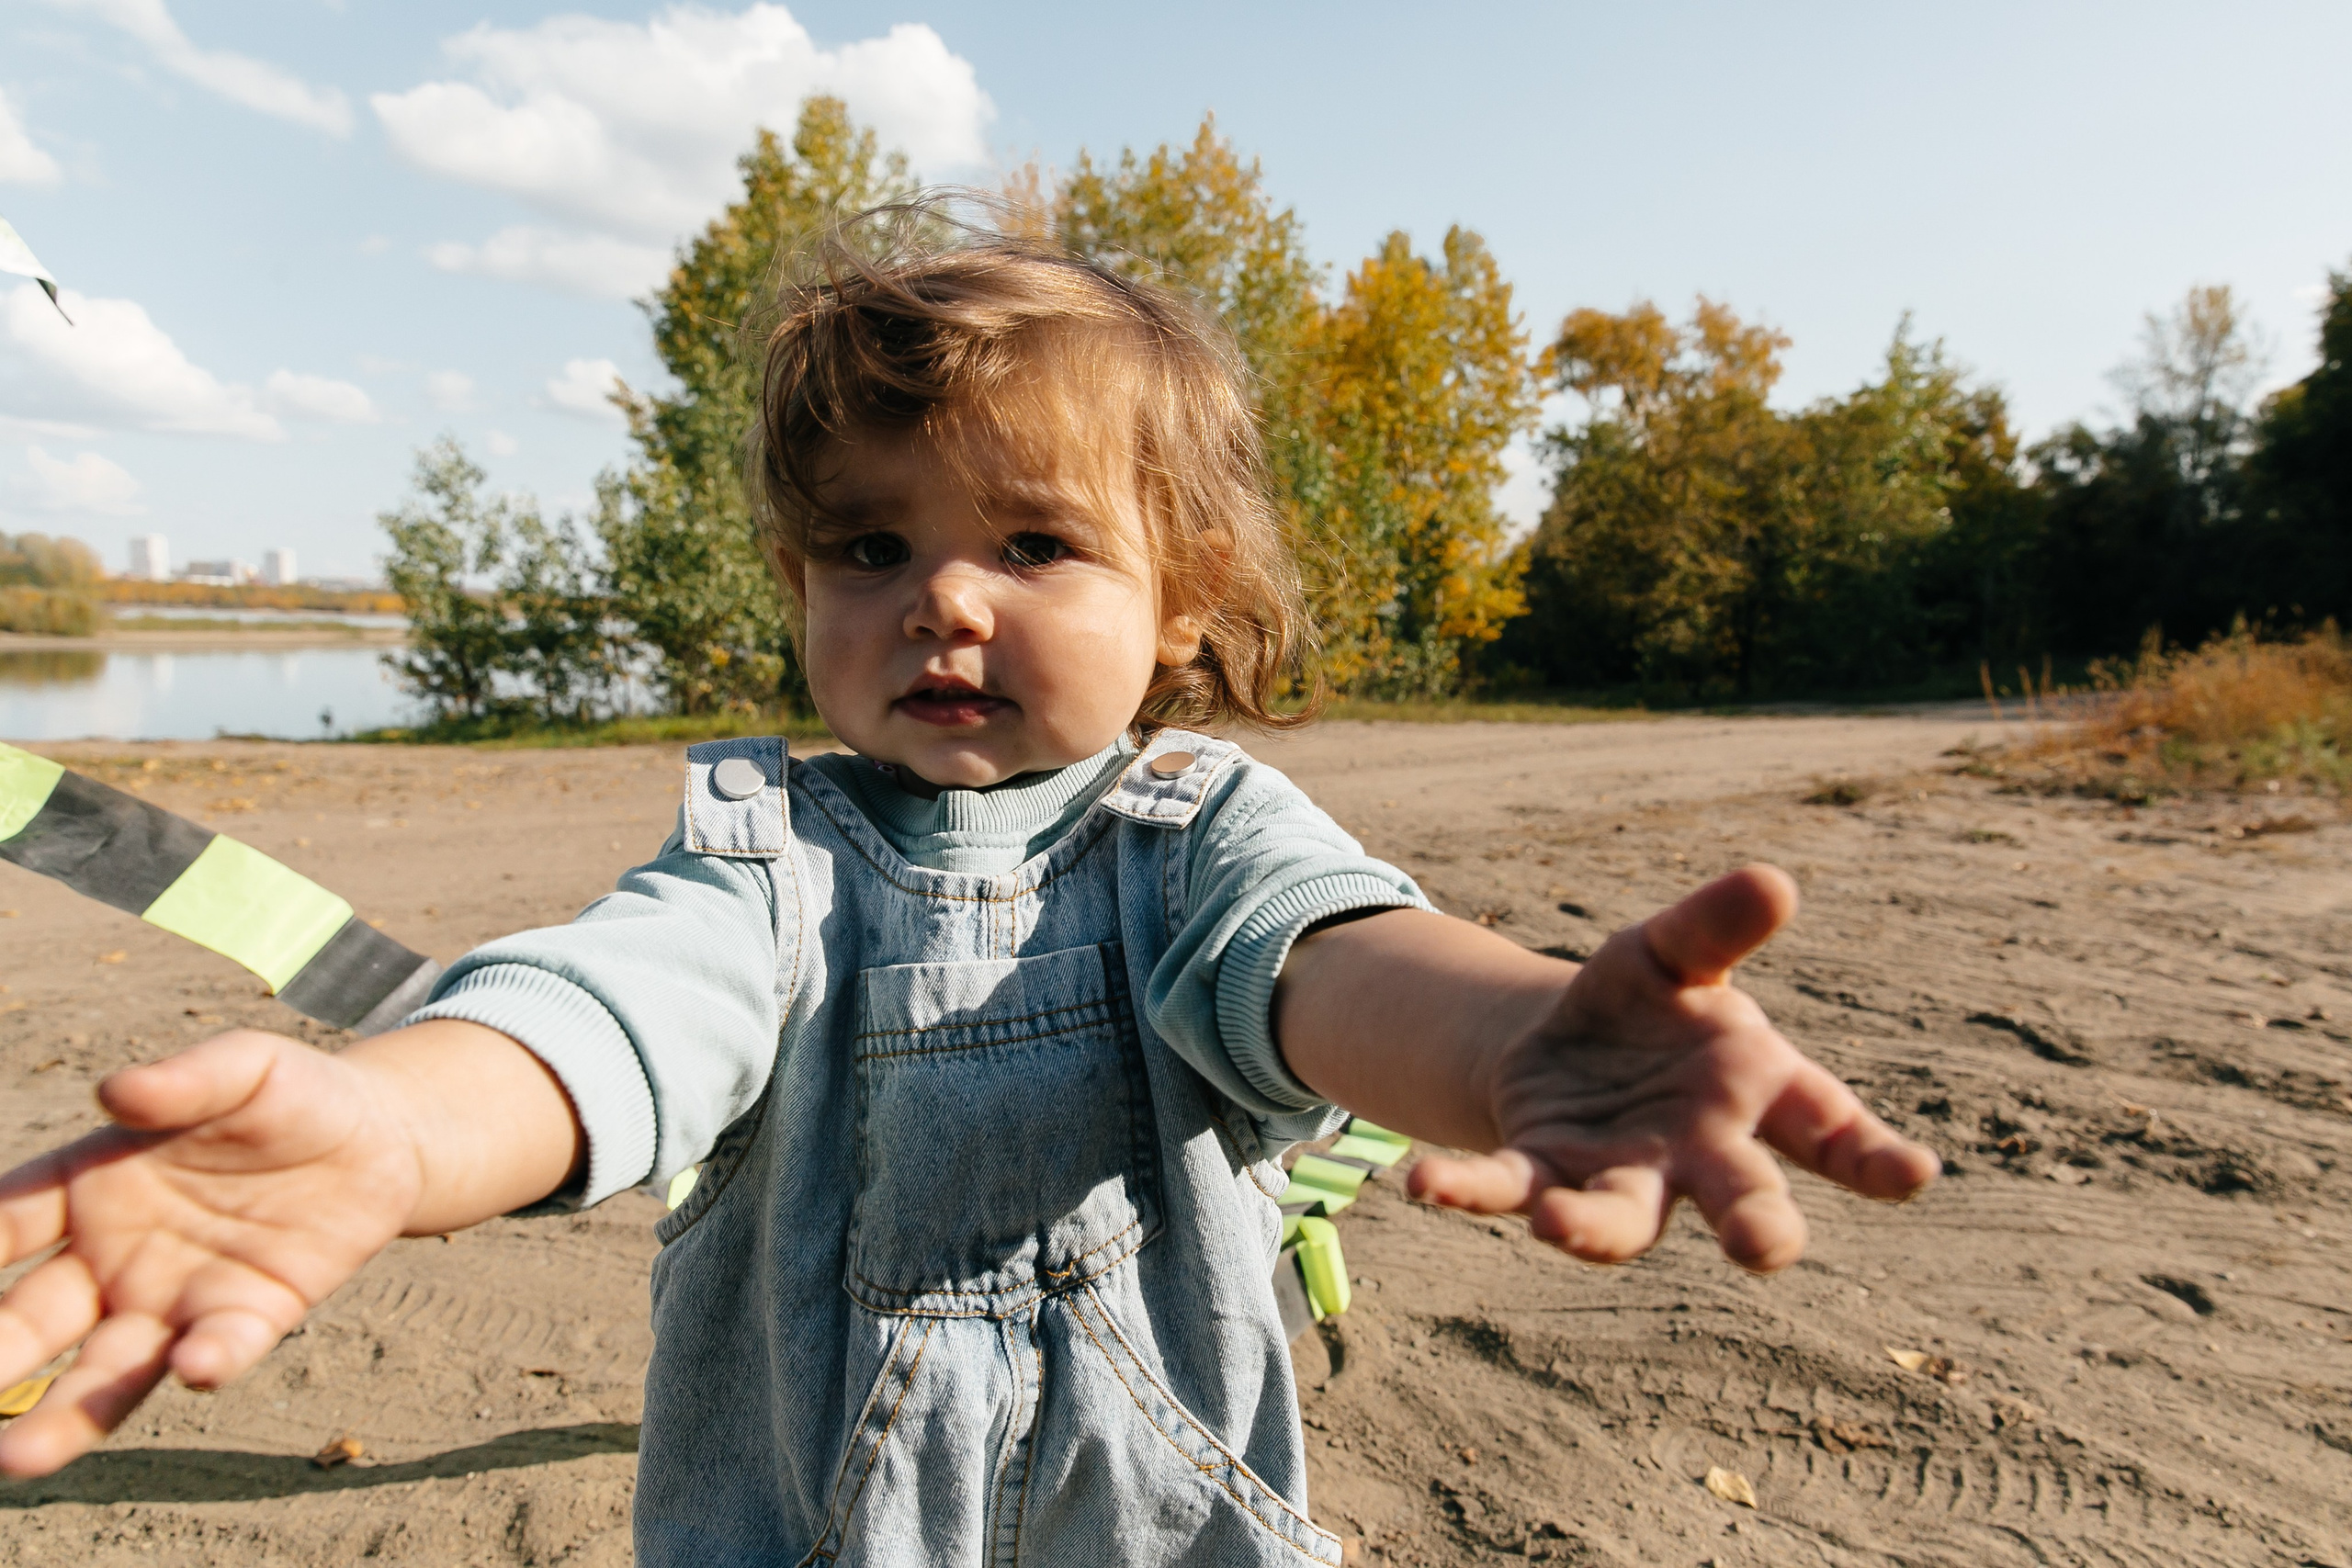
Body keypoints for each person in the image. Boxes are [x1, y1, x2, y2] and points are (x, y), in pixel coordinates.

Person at [0, 218, 1938, 1564]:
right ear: (795, 589)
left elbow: (1333, 967)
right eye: (867, 542)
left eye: (1033, 539)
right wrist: (390, 1120)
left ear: (1180, 602)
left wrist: (1521, 1036)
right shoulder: (764, 854)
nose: (942, 595)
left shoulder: (1192, 831)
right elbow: (612, 1014)